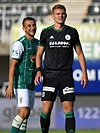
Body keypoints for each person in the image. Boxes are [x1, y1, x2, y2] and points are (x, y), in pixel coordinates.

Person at [34, 4, 89, 133]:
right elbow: (39, 54)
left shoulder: (72, 32)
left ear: (66, 15)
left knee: (69, 110)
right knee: (46, 110)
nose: (60, 16)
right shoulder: (46, 32)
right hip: (49, 76)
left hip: (66, 76)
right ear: (53, 16)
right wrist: (38, 70)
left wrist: (84, 73)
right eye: (58, 14)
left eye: (63, 13)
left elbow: (80, 53)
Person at [5, 17, 39, 133]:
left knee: (27, 114)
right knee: (23, 112)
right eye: (29, 26)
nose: (32, 28)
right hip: (21, 83)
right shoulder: (19, 44)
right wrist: (10, 85)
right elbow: (12, 66)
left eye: (33, 25)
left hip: (31, 83)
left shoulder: (37, 43)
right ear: (24, 28)